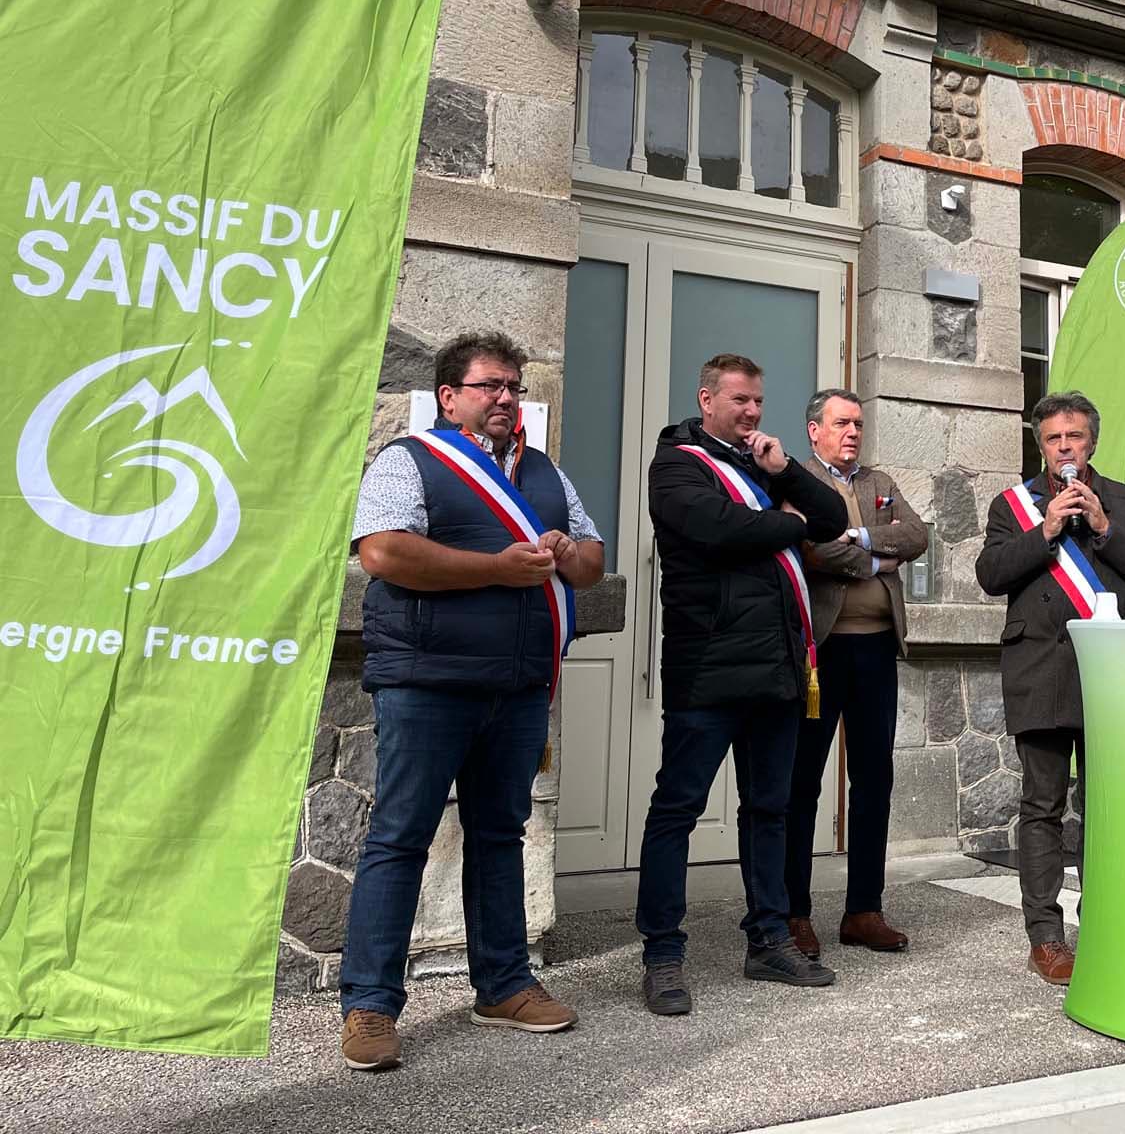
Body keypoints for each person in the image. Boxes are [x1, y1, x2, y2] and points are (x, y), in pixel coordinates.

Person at [341, 331, 606, 1073]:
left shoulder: (546, 473)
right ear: (449, 395)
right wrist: (496, 569)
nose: (505, 398)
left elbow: (591, 560)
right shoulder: (409, 460)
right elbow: (384, 553)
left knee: (500, 835)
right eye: (490, 385)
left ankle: (504, 985)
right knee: (400, 837)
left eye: (514, 386)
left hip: (517, 686)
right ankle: (368, 1004)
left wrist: (558, 553)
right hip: (427, 680)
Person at [636, 352, 849, 1017]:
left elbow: (834, 520)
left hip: (776, 672)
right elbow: (717, 530)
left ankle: (768, 939)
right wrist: (788, 522)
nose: (752, 413)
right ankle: (663, 953)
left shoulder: (761, 464)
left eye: (758, 402)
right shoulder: (674, 464)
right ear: (706, 399)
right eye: (739, 401)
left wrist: (785, 472)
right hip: (708, 671)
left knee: (769, 811)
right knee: (677, 811)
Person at [975, 390, 1125, 985]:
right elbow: (990, 574)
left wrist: (1105, 527)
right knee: (1042, 807)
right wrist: (1046, 530)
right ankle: (1047, 937)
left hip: (1110, 676)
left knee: (1106, 809)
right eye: (1055, 437)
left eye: (1076, 436)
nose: (1066, 446)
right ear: (1041, 444)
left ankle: (1105, 922)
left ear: (1093, 442)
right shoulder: (1014, 505)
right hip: (1041, 671)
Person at [784, 388, 929, 959]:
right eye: (842, 423)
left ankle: (864, 910)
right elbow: (811, 551)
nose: (852, 433)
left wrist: (862, 536)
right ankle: (793, 912)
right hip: (819, 654)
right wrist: (874, 560)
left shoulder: (879, 483)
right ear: (814, 429)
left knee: (874, 781)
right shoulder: (796, 481)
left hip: (875, 653)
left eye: (859, 424)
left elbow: (917, 536)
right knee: (803, 782)